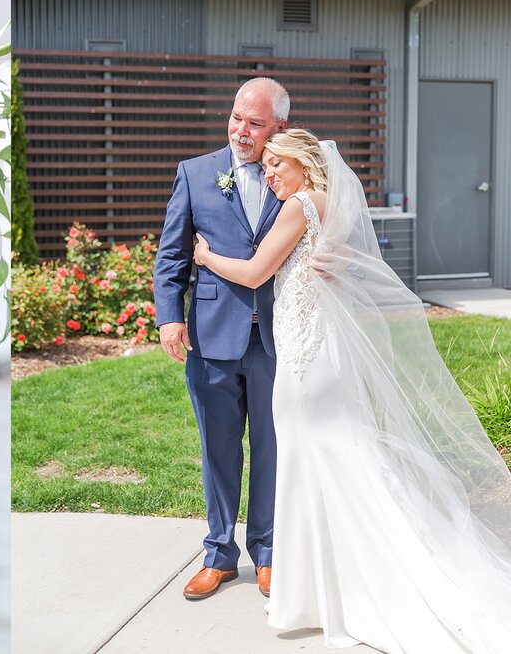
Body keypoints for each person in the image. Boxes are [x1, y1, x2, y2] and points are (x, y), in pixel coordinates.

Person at [194, 129, 511, 653]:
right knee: (320, 465)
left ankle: (347, 588)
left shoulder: (299, 204)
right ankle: (320, 589)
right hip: (313, 354)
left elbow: (254, 273)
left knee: (322, 464)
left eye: (278, 163)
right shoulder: (324, 204)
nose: (269, 172)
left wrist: (205, 259)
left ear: (304, 163)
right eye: (266, 165)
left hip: (305, 363)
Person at [152, 77, 289, 600]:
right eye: (236, 118)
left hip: (277, 338)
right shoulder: (195, 172)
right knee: (218, 451)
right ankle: (219, 555)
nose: (241, 131)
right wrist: (169, 316)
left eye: (255, 123)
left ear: (278, 126)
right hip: (211, 336)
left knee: (273, 448)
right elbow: (171, 253)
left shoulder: (292, 176)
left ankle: (269, 553)